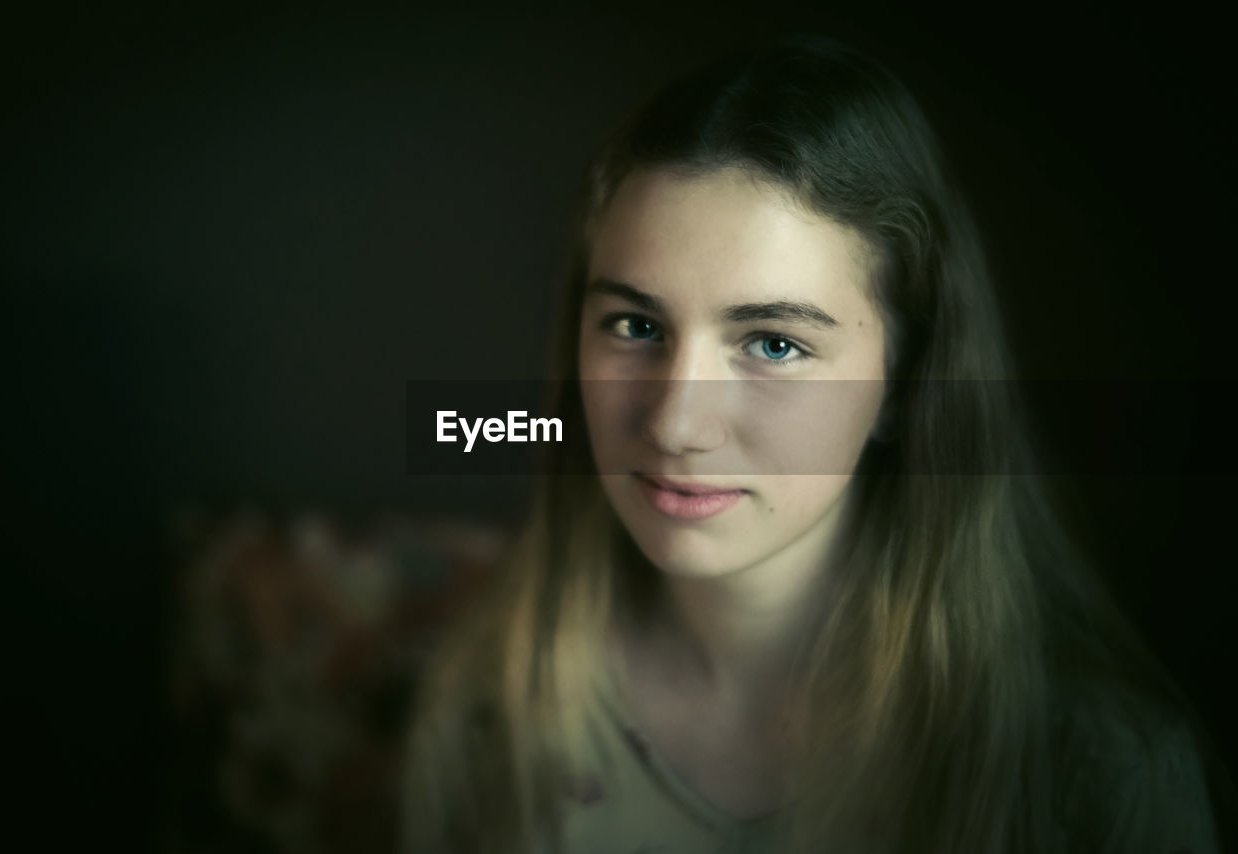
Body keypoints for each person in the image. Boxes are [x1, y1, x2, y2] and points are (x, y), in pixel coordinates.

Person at [399, 37, 1228, 853]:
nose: (675, 425)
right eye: (636, 325)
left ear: (903, 384)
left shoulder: (1100, 780)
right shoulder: (487, 707)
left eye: (774, 344)